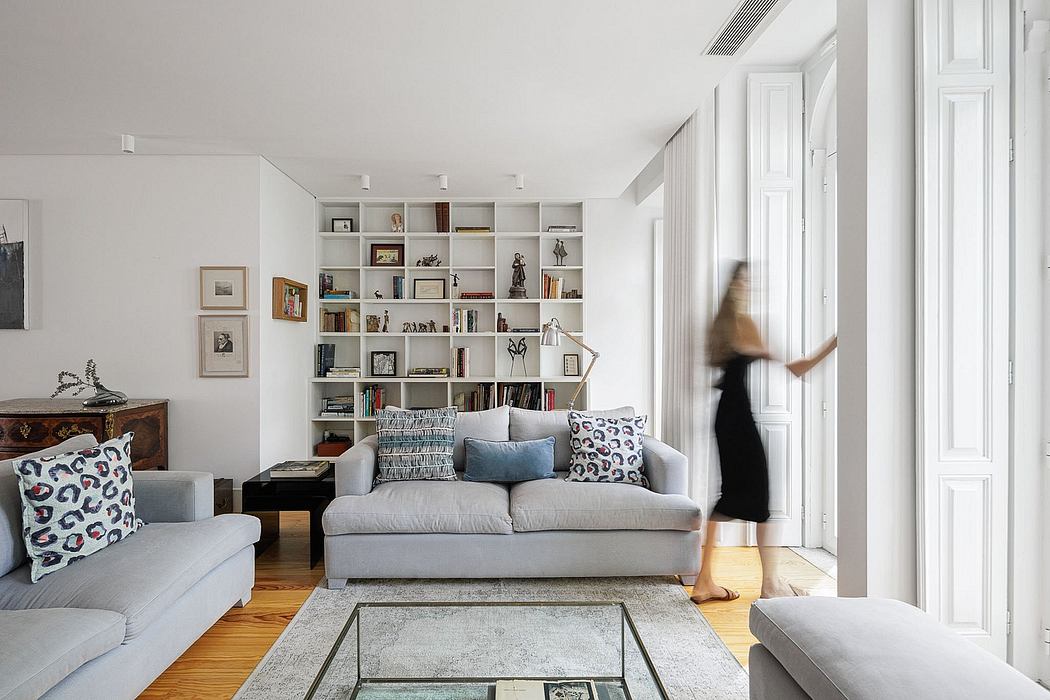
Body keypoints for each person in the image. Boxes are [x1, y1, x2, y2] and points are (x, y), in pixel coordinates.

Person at [690, 261, 837, 603]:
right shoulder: (744, 324)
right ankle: (769, 584)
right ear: (736, 285)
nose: (750, 286)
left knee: (729, 497)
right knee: (758, 499)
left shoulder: (721, 326)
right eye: (746, 280)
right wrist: (834, 343)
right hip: (738, 419)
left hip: (726, 415)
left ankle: (705, 581)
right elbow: (796, 368)